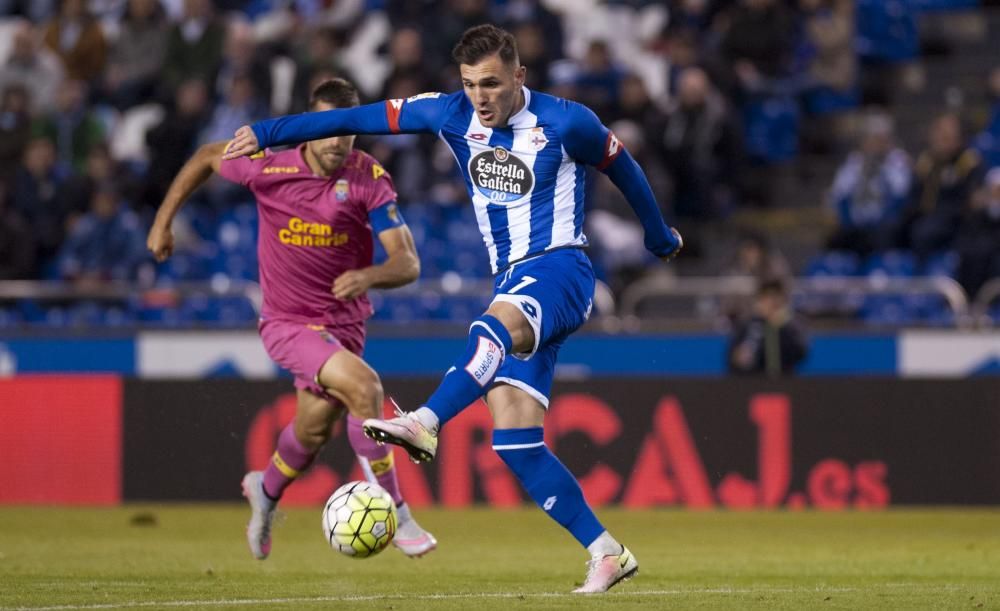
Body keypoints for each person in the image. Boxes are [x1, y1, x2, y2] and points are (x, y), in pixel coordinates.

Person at [224, 24, 683, 593]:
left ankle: (425, 421)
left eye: (491, 83)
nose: (481, 97)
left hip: (562, 268)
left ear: (519, 76)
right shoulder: (447, 114)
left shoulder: (568, 122)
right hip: (513, 278)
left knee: (492, 328)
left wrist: (659, 235)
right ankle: (606, 551)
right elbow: (355, 118)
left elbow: (623, 166)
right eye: (470, 85)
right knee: (515, 440)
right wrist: (269, 132)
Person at [147, 78, 436, 561]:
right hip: (287, 322)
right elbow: (204, 157)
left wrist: (370, 275)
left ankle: (267, 489)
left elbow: (407, 264)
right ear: (307, 128)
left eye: (347, 130)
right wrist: (162, 222)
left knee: (313, 431)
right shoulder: (268, 165)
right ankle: (400, 514)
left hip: (344, 324)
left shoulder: (367, 177)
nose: (337, 141)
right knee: (365, 388)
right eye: (327, 129)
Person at [727, 278, 809, 376]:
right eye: (767, 297)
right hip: (753, 382)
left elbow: (800, 353)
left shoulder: (792, 323)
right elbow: (733, 358)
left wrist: (781, 327)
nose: (772, 302)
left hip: (785, 381)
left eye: (776, 296)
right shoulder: (748, 325)